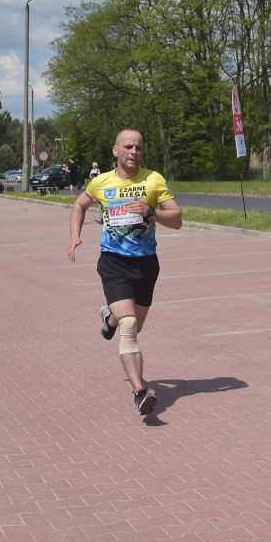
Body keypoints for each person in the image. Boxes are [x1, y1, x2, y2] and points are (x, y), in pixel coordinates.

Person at [67, 129, 183, 417]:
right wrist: (74, 236)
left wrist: (151, 212)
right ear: (115, 151)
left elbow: (178, 219)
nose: (134, 151)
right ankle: (139, 391)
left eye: (139, 147)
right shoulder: (100, 182)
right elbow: (80, 205)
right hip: (113, 263)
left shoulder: (154, 180)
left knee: (135, 326)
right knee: (129, 326)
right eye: (129, 147)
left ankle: (109, 316)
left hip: (146, 264)